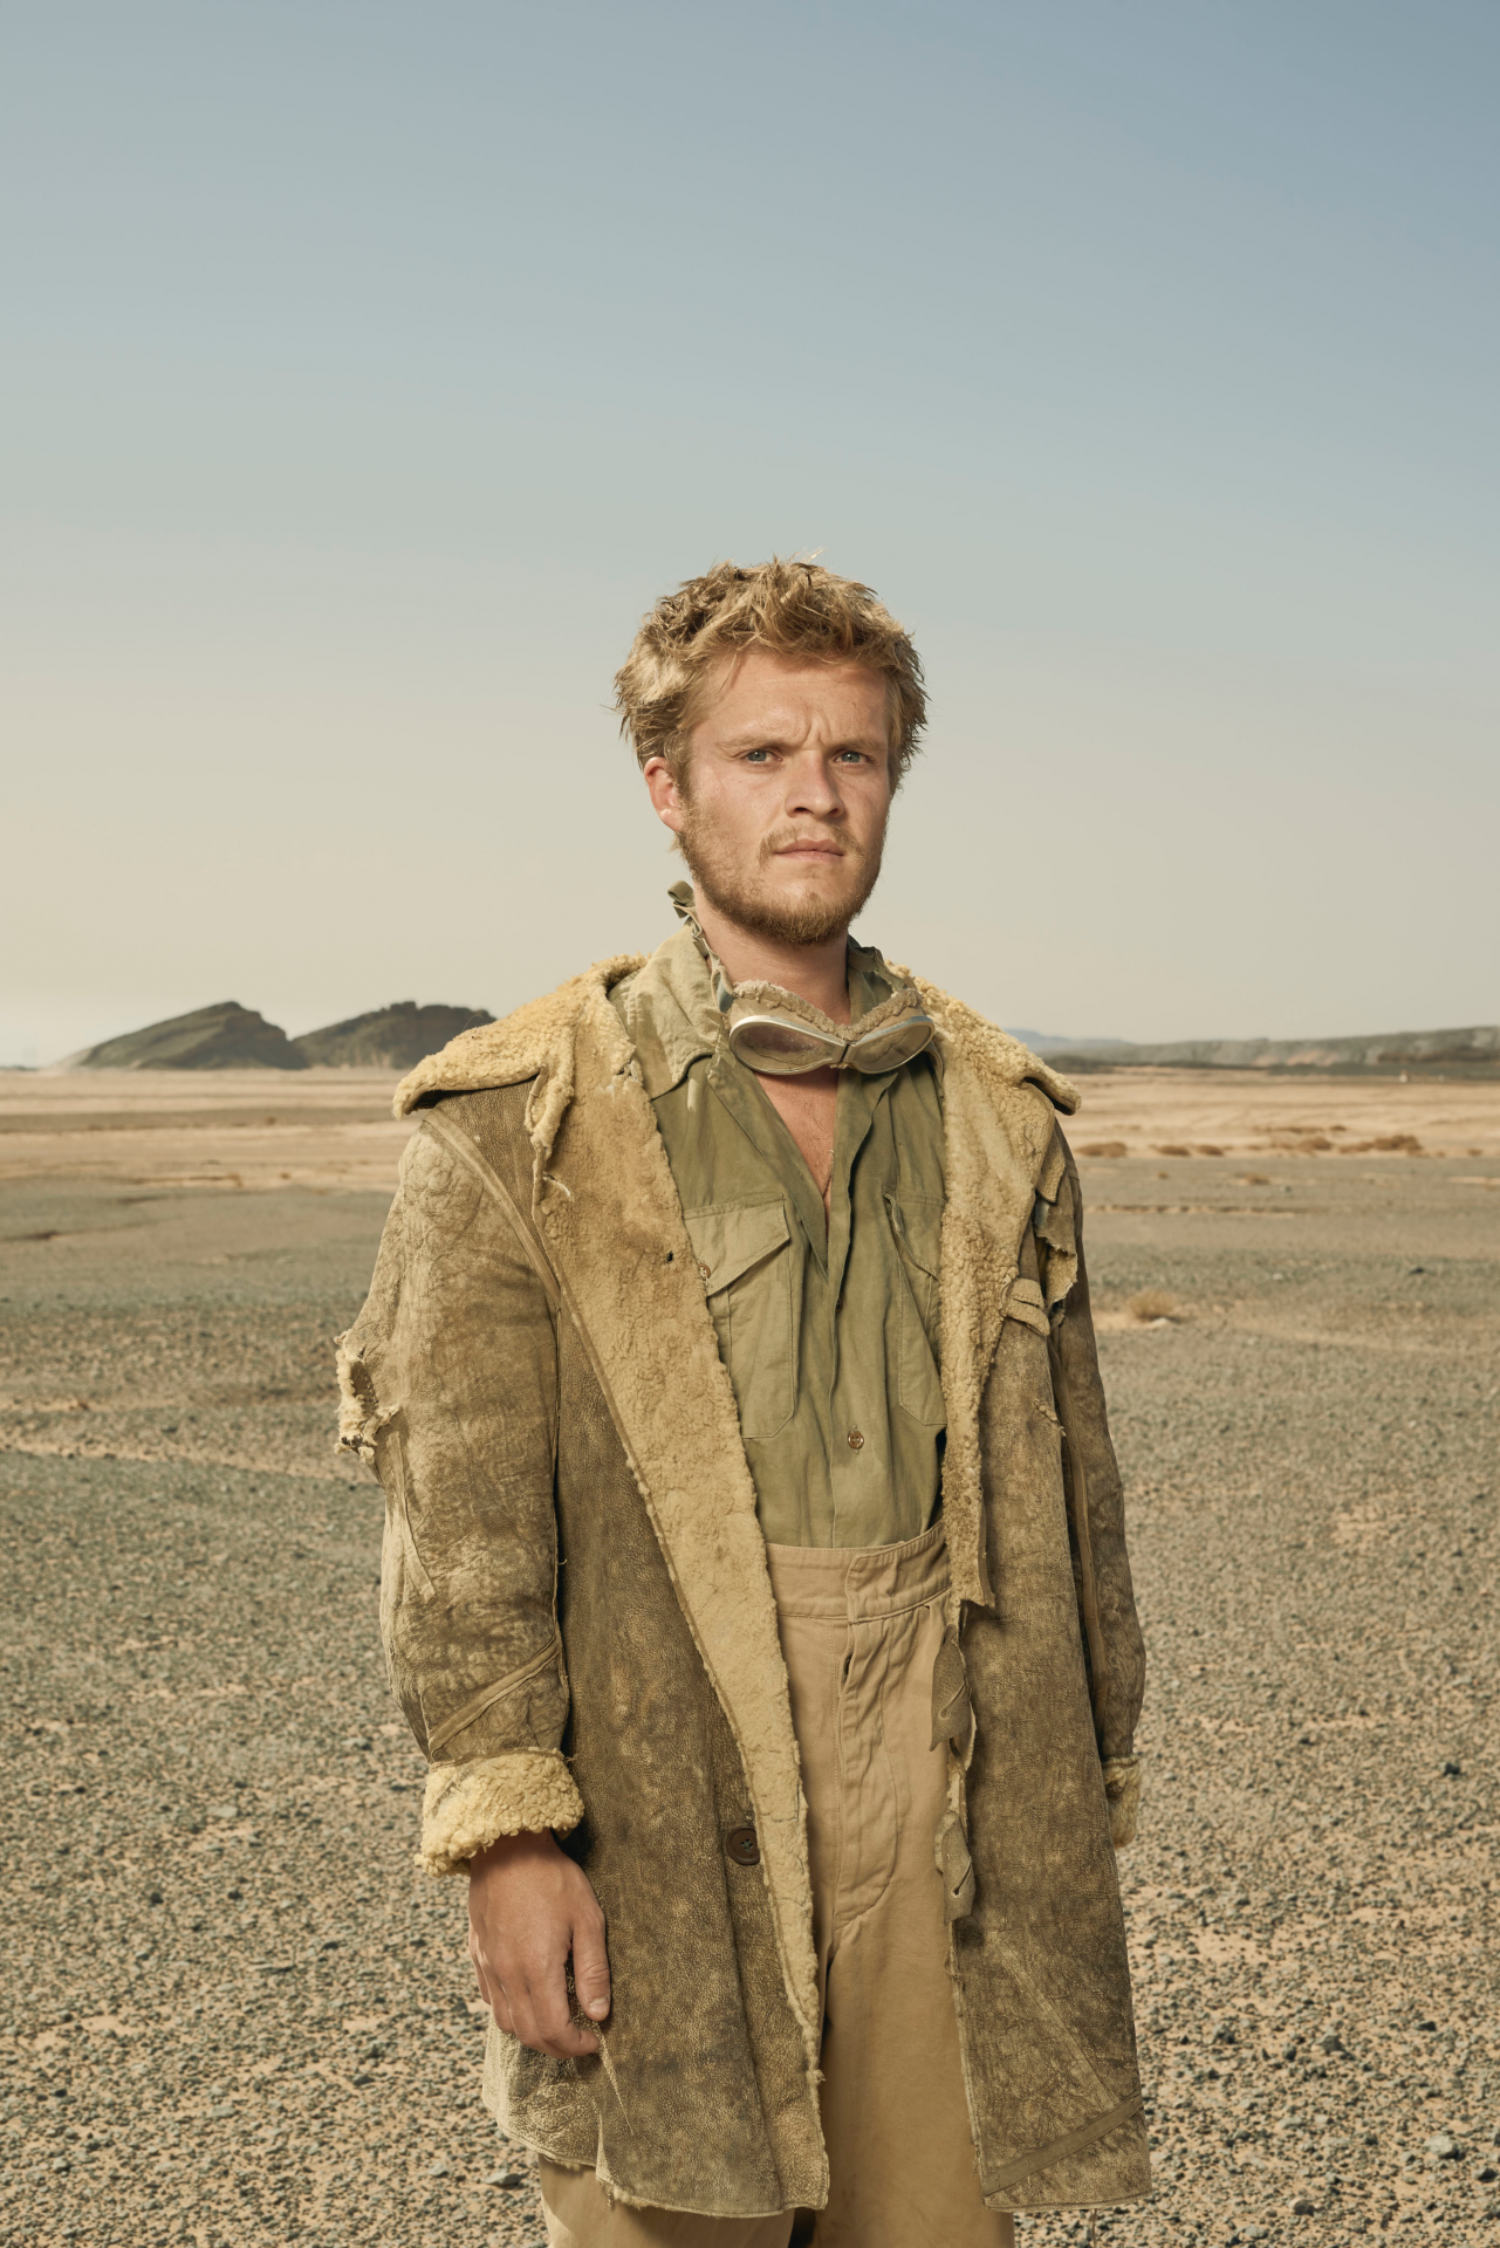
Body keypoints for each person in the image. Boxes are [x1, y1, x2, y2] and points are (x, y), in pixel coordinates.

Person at [338, 559, 1149, 2247]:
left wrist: (1089, 1773)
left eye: (852, 756)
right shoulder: (521, 1119)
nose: (813, 794)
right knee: (669, 2206)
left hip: (948, 1769)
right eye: (763, 753)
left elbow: (1076, 1484)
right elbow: (461, 1522)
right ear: (669, 785)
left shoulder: (999, 1115)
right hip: (660, 1769)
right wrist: (507, 1832)